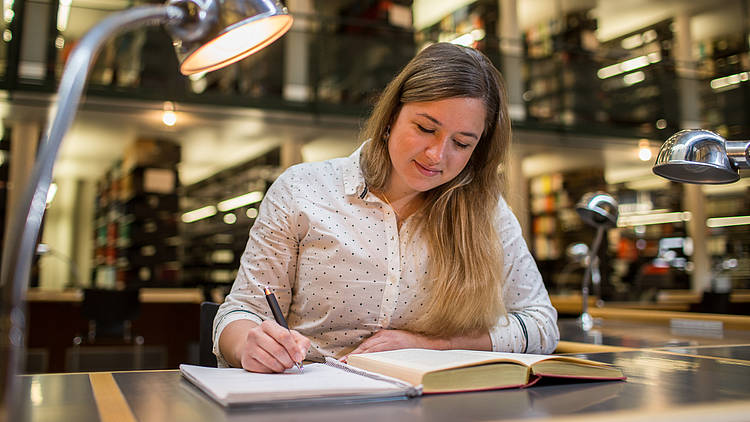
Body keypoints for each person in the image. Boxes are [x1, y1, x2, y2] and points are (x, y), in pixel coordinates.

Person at [213, 42, 559, 373]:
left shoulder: (488, 212)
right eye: (425, 128)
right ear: (392, 114)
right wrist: (249, 345)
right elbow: (243, 310)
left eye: (461, 143)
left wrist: (431, 345)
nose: (437, 155)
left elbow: (542, 325)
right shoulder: (302, 190)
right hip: (314, 399)